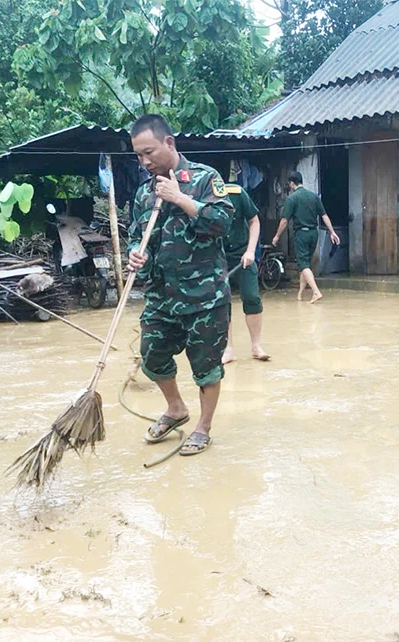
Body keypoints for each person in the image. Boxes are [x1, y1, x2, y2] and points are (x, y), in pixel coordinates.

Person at [126, 113, 233, 457]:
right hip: (161, 297)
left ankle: (203, 427)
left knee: (206, 366)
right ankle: (175, 409)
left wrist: (180, 198)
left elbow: (223, 222)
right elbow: (135, 235)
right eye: (139, 155)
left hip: (204, 297)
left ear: (169, 143)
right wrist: (134, 254)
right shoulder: (143, 192)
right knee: (152, 356)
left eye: (149, 152)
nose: (145, 162)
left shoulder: (206, 178)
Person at [271, 171, 339, 303]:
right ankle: (300, 294)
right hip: (314, 233)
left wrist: (277, 236)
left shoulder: (292, 198)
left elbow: (284, 221)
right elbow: (324, 216)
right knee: (305, 263)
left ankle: (316, 292)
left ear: (291, 183)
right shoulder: (314, 197)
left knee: (303, 265)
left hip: (301, 234)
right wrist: (332, 232)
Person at [221, 180, 270, 364]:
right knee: (222, 302)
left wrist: (250, 250)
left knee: (251, 297)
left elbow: (254, 220)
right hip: (217, 257)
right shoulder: (200, 197)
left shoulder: (236, 192)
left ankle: (256, 346)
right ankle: (228, 349)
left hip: (243, 253)